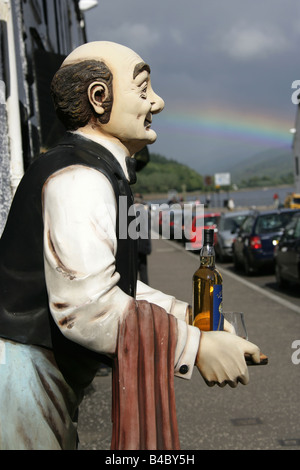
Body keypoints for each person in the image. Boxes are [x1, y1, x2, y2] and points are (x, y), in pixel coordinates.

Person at [0, 41, 260, 450]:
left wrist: (194, 317)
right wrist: (196, 345)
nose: (157, 102)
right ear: (99, 98)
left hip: (38, 376)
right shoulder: (79, 179)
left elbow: (121, 291)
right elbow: (88, 309)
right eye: (142, 89)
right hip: (22, 384)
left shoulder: (90, 170)